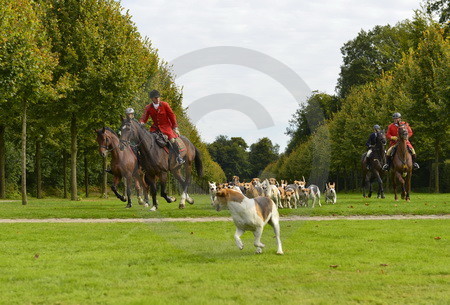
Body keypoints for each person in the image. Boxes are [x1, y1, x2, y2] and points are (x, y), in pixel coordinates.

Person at [139, 90, 185, 165]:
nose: (157, 99)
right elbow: (144, 117)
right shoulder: (148, 107)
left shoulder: (165, 105)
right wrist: (142, 122)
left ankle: (178, 156)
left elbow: (172, 116)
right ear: (152, 99)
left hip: (166, 127)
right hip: (155, 128)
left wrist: (175, 127)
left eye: (158, 98)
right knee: (148, 139)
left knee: (172, 140)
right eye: (155, 98)